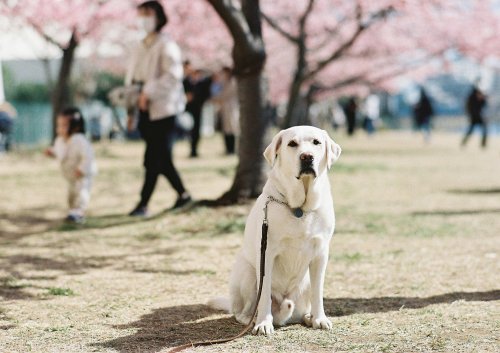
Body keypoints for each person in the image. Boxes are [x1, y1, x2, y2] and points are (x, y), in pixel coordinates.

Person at [125, 0, 191, 217]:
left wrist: (148, 92)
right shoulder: (139, 45)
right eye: (141, 13)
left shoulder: (166, 44)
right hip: (144, 111)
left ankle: (143, 203)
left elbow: (173, 76)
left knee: (153, 158)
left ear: (159, 17)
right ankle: (183, 195)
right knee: (160, 158)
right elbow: (133, 80)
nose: (143, 17)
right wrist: (131, 109)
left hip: (164, 110)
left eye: (148, 13)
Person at [45, 108, 97, 223]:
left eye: (64, 125)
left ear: (76, 127)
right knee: (71, 196)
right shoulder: (60, 140)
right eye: (59, 125)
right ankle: (72, 211)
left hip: (82, 175)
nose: (60, 128)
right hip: (71, 175)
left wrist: (82, 169)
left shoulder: (79, 140)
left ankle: (79, 213)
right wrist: (52, 152)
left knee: (81, 193)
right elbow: (60, 153)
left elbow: (88, 156)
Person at [183, 62, 212, 158]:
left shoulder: (203, 83)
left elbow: (206, 95)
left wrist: (196, 98)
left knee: (196, 130)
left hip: (197, 109)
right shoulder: (185, 82)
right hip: (187, 109)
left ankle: (194, 150)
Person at [212, 67, 239, 155]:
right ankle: (228, 148)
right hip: (225, 108)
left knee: (232, 129)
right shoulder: (224, 82)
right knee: (226, 129)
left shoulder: (233, 82)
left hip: (231, 108)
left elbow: (224, 94)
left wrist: (215, 98)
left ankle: (231, 149)